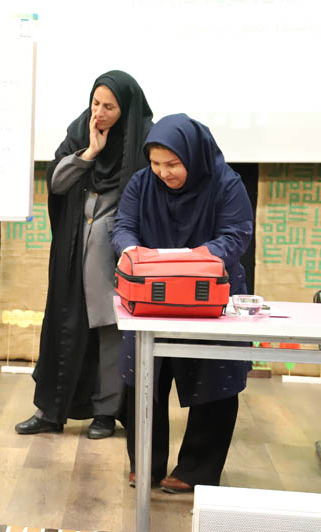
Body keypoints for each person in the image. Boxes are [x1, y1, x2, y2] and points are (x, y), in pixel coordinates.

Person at [111, 113, 254, 493]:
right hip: (150, 296)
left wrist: (187, 263)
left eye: (172, 164)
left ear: (193, 155)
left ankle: (196, 471)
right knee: (145, 378)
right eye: (156, 163)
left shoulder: (226, 183)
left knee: (215, 380)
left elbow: (236, 235)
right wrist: (130, 250)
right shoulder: (141, 183)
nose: (163, 173)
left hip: (209, 297)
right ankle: (146, 464)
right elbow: (124, 226)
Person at [15, 71, 153, 439]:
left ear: (126, 110)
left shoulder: (143, 141)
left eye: (109, 107)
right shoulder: (80, 131)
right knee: (64, 326)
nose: (99, 113)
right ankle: (51, 411)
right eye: (96, 103)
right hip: (73, 251)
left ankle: (106, 413)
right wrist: (90, 153)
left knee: (111, 333)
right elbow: (57, 183)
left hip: (114, 258)